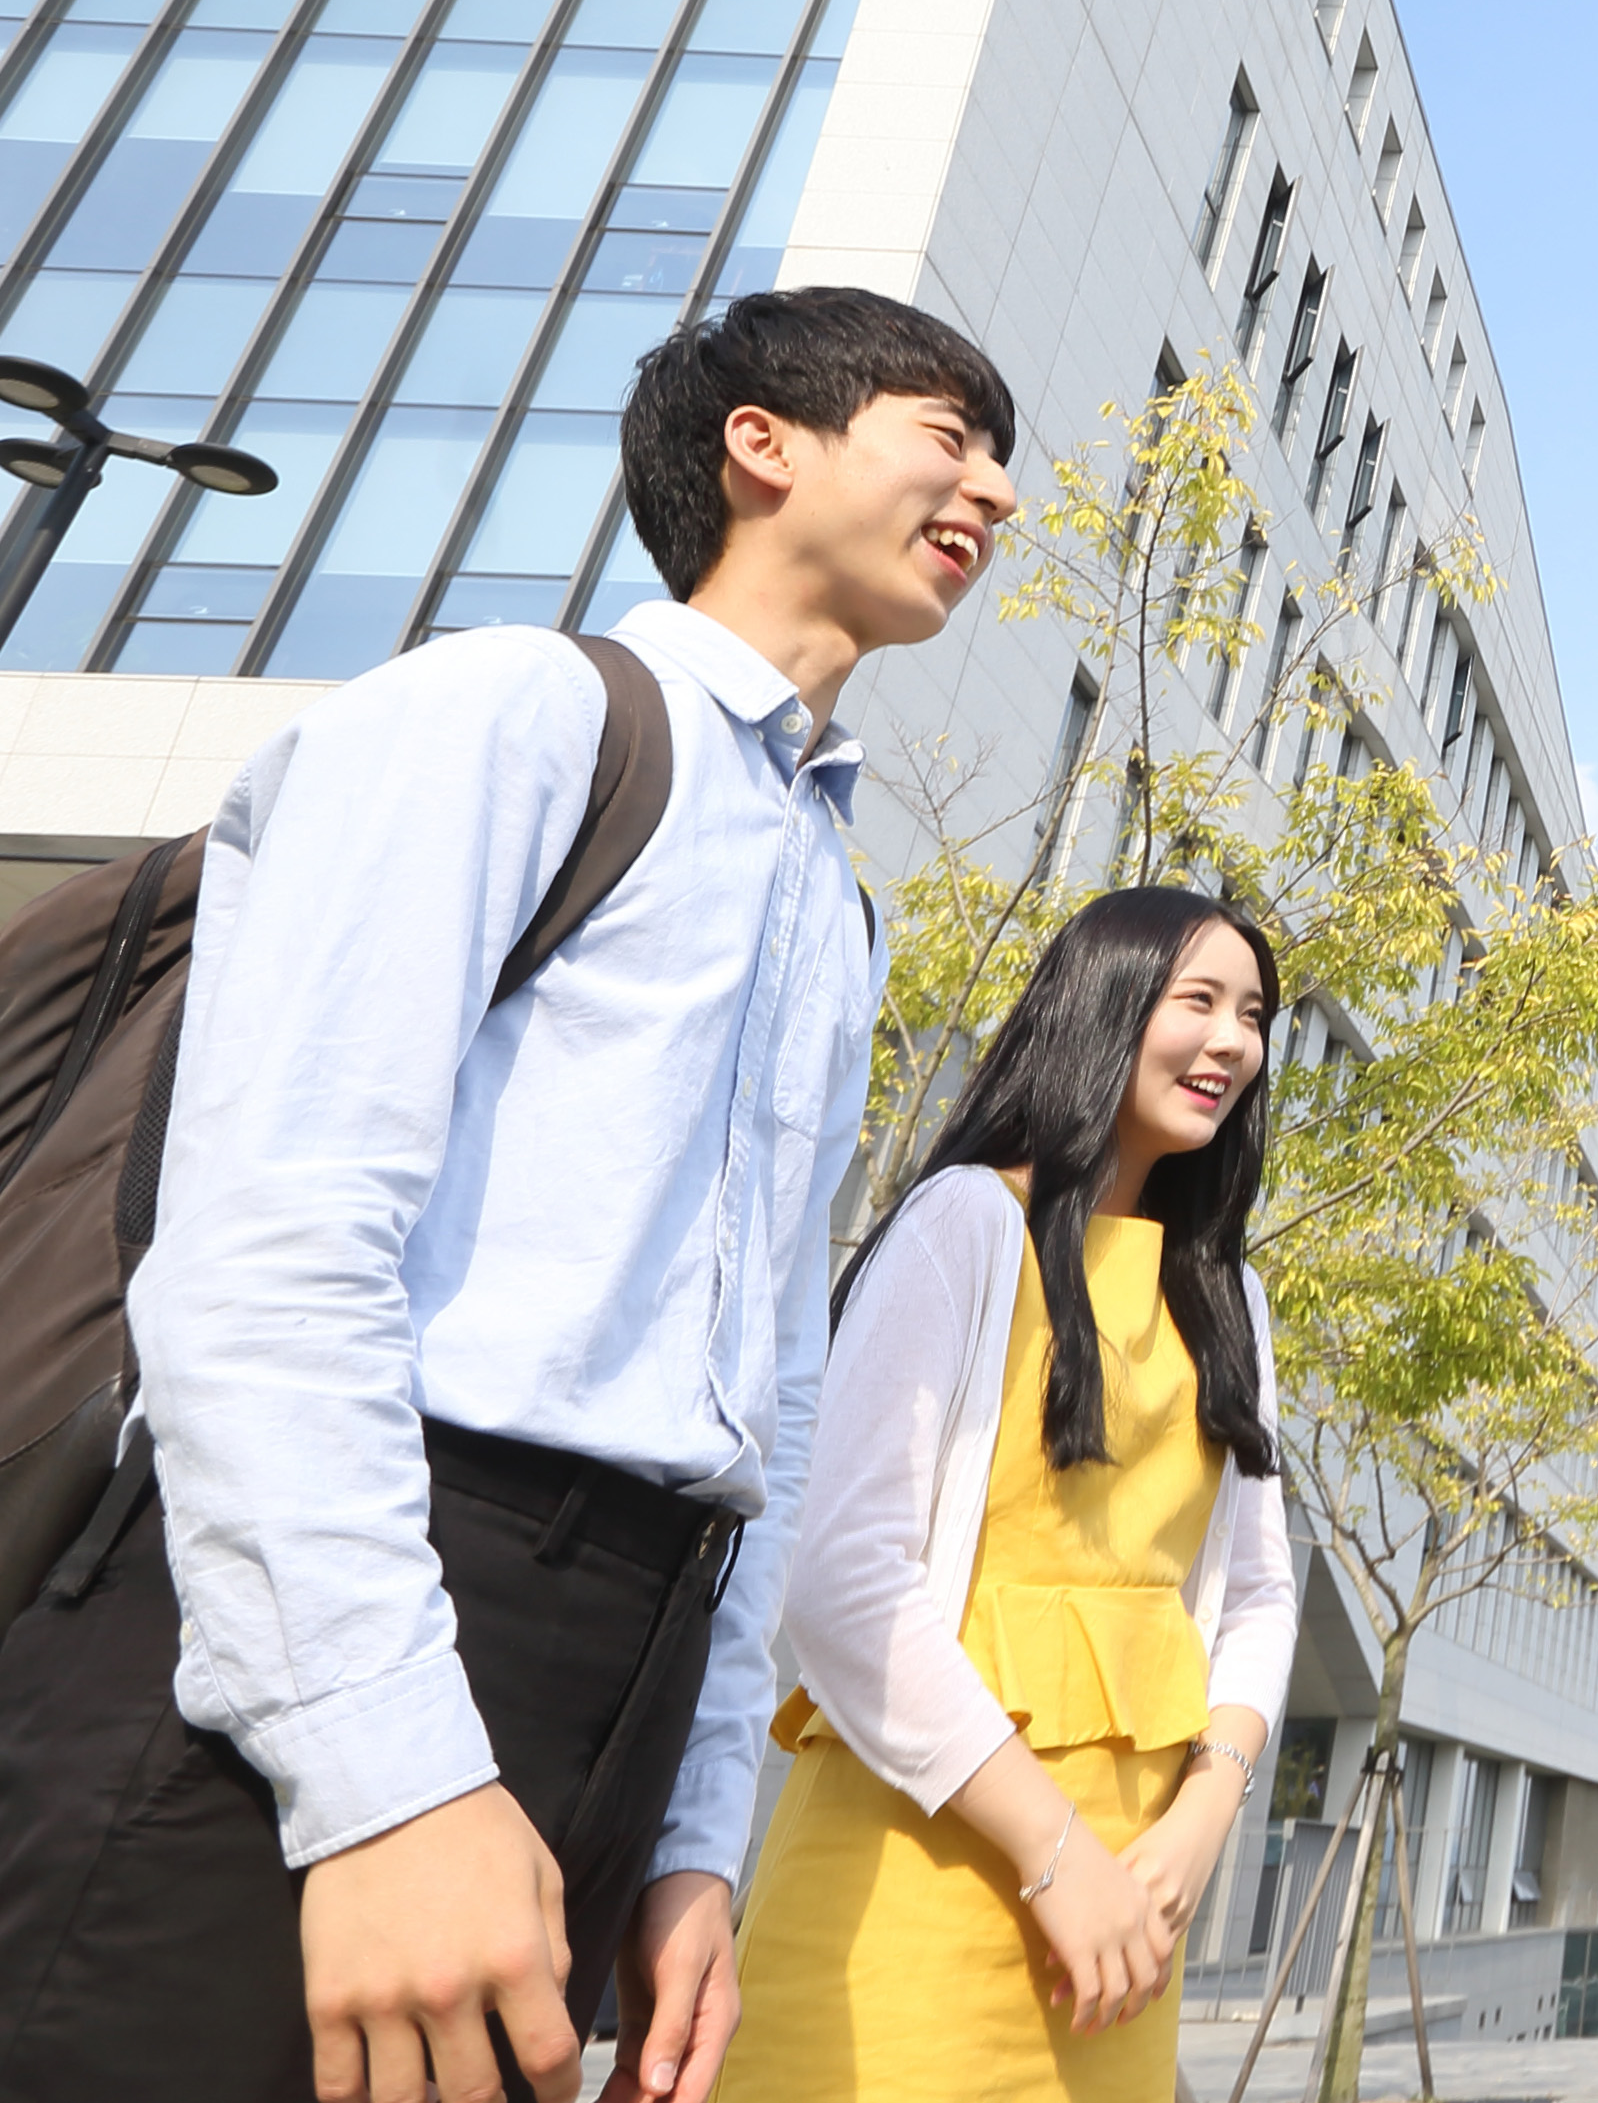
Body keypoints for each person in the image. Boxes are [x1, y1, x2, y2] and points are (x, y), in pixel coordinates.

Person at [0, 285, 1019, 2103]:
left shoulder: (837, 891)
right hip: (327, 1607)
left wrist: (699, 1824)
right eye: (949, 433)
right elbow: (271, 1245)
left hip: (619, 1648)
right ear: (761, 443)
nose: (996, 491)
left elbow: (771, 1390)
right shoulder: (519, 713)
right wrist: (386, 1768)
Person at [722, 885, 1295, 2102]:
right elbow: (845, 1580)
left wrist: (1201, 1816)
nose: (1233, 1042)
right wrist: (1054, 1858)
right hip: (922, 1880)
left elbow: (1259, 1597)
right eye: (1197, 1001)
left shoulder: (1230, 1299)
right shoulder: (966, 1225)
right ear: (1105, 1003)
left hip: (1128, 1922)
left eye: (1252, 1014)